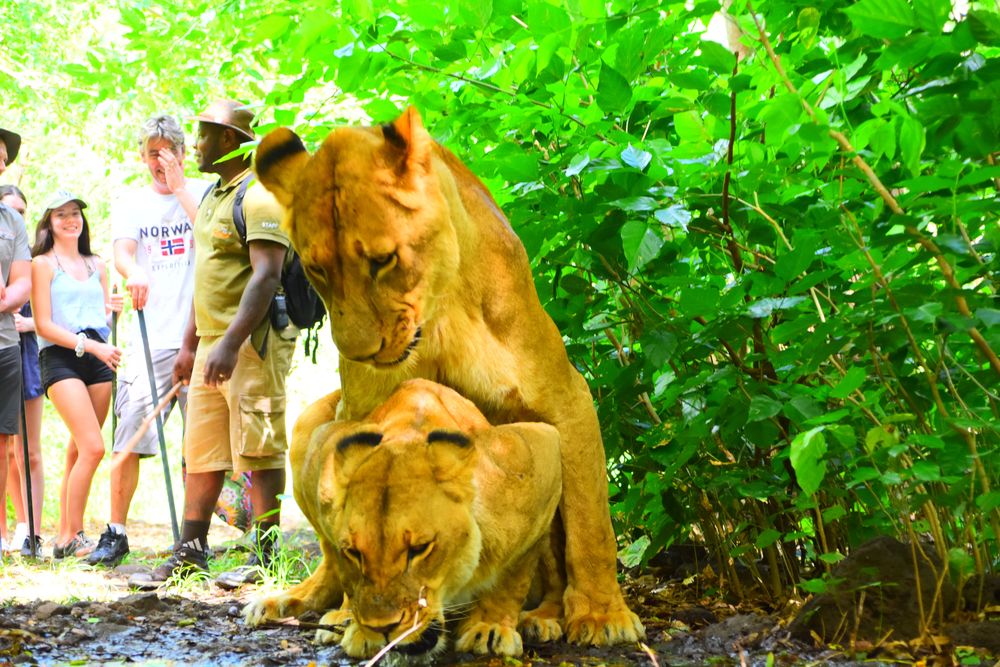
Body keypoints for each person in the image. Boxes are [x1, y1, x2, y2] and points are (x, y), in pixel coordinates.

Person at [131, 100, 295, 589]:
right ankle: (190, 556)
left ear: (228, 140)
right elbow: (203, 276)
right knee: (200, 453)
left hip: (251, 344)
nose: (194, 145)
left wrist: (228, 343)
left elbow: (266, 277)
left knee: (259, 452)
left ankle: (270, 562)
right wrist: (190, 345)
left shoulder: (260, 196)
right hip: (208, 344)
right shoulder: (211, 197)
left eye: (202, 136)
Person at [86, 115, 211, 567]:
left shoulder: (201, 193)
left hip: (199, 334)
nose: (158, 162)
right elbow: (122, 251)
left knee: (199, 442)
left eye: (166, 152)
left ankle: (196, 539)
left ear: (179, 152)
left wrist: (180, 188)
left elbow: (213, 240)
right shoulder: (132, 202)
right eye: (151, 154)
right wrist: (133, 270)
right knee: (130, 432)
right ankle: (116, 533)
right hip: (148, 336)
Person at [31, 191, 122, 558]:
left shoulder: (97, 264)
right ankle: (75, 535)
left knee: (77, 447)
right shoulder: (42, 264)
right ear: (49, 223)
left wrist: (114, 312)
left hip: (99, 356)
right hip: (61, 357)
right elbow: (44, 324)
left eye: (75, 214)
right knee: (93, 447)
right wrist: (91, 346)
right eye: (61, 215)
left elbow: (102, 320)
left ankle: (65, 535)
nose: (71, 220)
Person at [0, 184, 44, 557]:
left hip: (18, 348)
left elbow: (25, 289)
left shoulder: (18, 234)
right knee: (8, 446)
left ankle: (24, 530)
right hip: (12, 339)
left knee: (16, 445)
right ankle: (14, 527)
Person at [0, 126, 32, 558]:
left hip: (5, 344)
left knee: (3, 440)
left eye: (4, 156)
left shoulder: (13, 221)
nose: (1, 160)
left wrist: (8, 297)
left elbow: (23, 279)